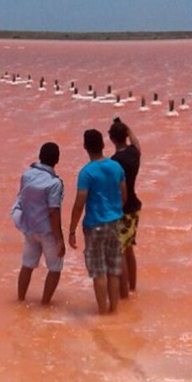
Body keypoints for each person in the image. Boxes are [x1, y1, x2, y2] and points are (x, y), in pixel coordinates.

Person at [68, 129, 127, 314]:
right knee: (113, 269)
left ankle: (102, 312)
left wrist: (71, 230)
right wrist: (115, 210)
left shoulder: (86, 173)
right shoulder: (117, 167)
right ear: (103, 145)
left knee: (99, 272)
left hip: (95, 225)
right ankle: (114, 311)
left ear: (85, 147)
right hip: (116, 222)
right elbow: (124, 194)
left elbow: (79, 203)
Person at [15, 142, 66, 305]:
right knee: (55, 268)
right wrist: (60, 239)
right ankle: (44, 304)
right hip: (47, 232)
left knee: (27, 265)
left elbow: (22, 198)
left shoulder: (27, 175)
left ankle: (21, 300)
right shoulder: (54, 183)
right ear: (57, 160)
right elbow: (53, 212)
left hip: (29, 229)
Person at [108, 117, 142, 299]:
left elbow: (117, 190)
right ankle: (132, 288)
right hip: (135, 207)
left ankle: (125, 296)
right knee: (129, 248)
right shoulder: (134, 153)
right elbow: (137, 143)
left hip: (122, 209)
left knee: (120, 250)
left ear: (112, 139)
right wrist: (128, 127)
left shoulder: (115, 162)